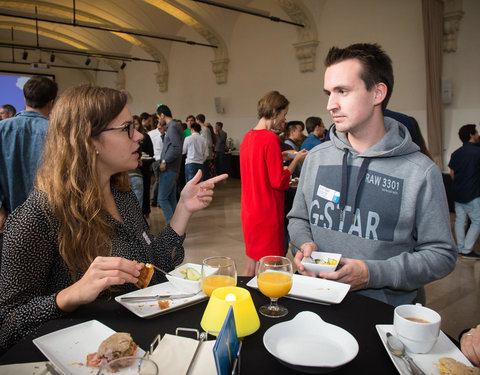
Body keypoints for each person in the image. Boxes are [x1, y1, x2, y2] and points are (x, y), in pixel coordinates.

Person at [0, 85, 227, 351]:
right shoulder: (36, 216)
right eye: (126, 128)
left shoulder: (123, 197)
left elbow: (153, 270)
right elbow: (7, 327)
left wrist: (183, 210)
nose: (139, 137)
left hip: (136, 348)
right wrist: (68, 296)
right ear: (89, 139)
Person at [289, 43, 456, 306]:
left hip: (383, 314)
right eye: (329, 93)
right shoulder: (317, 159)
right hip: (316, 300)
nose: (331, 104)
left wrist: (372, 274)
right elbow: (298, 218)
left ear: (377, 93)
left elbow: (441, 255)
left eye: (342, 91)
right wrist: (303, 244)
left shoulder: (421, 173)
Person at [240, 91, 307, 276]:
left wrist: (281, 156)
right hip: (266, 211)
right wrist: (296, 160)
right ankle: (269, 303)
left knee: (252, 263)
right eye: (284, 114)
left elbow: (257, 167)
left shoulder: (248, 137)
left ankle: (243, 298)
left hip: (250, 210)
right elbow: (279, 181)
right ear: (275, 112)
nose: (284, 120)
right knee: (271, 268)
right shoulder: (270, 139)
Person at [0, 76, 58, 235]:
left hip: (6, 220)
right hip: (47, 222)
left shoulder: (2, 128)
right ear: (51, 102)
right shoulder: (59, 133)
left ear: (25, 98)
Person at [448, 124, 480, 259]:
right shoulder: (478, 152)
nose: (478, 135)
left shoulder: (456, 153)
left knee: (460, 221)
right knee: (477, 221)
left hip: (458, 193)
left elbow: (452, 173)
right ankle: (467, 250)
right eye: (476, 133)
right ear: (471, 135)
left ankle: (460, 248)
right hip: (472, 193)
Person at [157, 105, 183, 223]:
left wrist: (164, 161)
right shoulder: (173, 126)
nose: (158, 120)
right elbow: (170, 145)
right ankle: (176, 225)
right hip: (172, 168)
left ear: (162, 115)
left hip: (169, 168)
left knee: (162, 198)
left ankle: (171, 226)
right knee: (171, 198)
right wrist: (163, 135)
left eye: (158, 117)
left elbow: (177, 148)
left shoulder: (172, 127)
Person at [148, 117, 166, 207]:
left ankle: (156, 200)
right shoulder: (164, 134)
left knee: (159, 180)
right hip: (160, 159)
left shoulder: (150, 134)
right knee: (160, 180)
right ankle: (156, 200)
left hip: (155, 159)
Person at [196, 114, 213, 180]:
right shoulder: (201, 130)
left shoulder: (205, 130)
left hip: (206, 154)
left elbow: (209, 143)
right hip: (202, 154)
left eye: (196, 120)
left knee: (205, 171)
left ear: (198, 121)